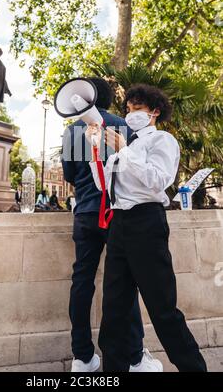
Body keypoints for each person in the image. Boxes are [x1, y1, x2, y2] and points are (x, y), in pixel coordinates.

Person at [86, 83, 207, 372]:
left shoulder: (162, 141)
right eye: (128, 108)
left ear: (154, 111)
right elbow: (104, 184)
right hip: (119, 227)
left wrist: (124, 151)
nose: (130, 113)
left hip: (147, 224)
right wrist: (94, 149)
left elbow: (157, 180)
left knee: (163, 310)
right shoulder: (126, 148)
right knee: (113, 312)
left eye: (137, 108)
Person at [61, 78, 162, 373]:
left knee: (82, 281)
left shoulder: (71, 131)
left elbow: (68, 174)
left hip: (84, 215)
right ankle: (134, 357)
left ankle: (82, 357)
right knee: (123, 284)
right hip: (116, 213)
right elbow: (134, 166)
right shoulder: (122, 124)